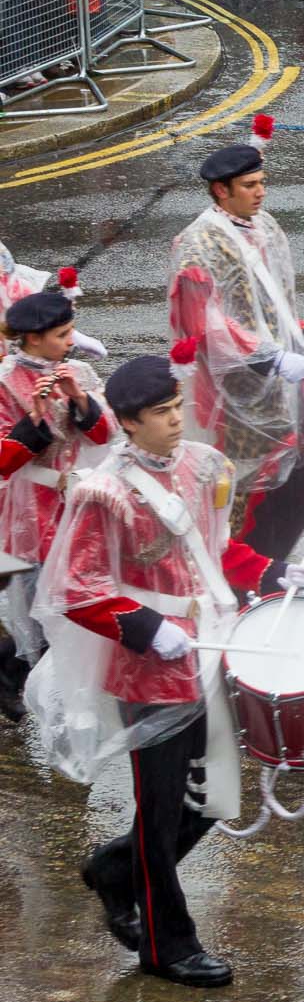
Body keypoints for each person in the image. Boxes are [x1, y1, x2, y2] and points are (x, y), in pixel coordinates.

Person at [30, 354, 304, 987]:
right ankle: (167, 945)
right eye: (161, 414)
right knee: (159, 810)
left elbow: (215, 550)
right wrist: (149, 629)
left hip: (210, 646)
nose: (177, 421)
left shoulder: (204, 467)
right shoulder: (107, 489)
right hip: (146, 669)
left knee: (213, 798)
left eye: (179, 407)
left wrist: (267, 571)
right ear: (127, 423)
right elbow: (77, 586)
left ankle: (116, 870)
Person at [169, 120, 304, 563]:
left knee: (301, 479)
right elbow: (205, 324)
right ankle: (245, 579)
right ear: (221, 191)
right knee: (247, 496)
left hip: (280, 385)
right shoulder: (197, 245)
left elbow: (277, 298)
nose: (261, 193)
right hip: (235, 397)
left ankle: (270, 566)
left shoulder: (265, 225)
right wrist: (270, 357)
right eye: (250, 185)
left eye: (262, 183)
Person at [0, 278, 113, 718]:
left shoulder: (79, 373)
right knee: (42, 614)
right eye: (62, 336)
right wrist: (34, 418)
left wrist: (80, 399)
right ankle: (19, 674)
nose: (71, 343)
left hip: (77, 504)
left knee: (76, 602)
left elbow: (104, 435)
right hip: (29, 509)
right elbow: (4, 461)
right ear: (33, 338)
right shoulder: (6, 381)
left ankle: (60, 690)